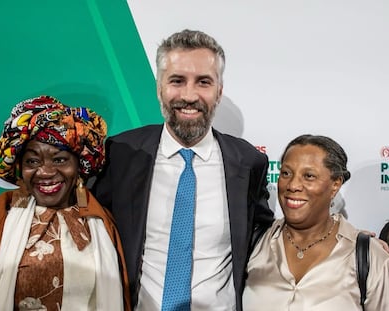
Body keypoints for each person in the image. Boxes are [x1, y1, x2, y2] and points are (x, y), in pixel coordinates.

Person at [91, 29, 274, 310]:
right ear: (159, 87)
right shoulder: (121, 154)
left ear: (219, 91)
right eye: (177, 81)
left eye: (203, 82)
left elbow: (265, 235)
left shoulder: (248, 162)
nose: (189, 95)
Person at [0, 95, 131, 311]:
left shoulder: (102, 222)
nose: (46, 172)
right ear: (20, 169)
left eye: (60, 159)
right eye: (32, 161)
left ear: (79, 165)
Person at [243, 134, 389, 310]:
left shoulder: (370, 257)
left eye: (308, 176)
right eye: (286, 173)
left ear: (335, 184)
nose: (293, 185)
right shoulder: (252, 243)